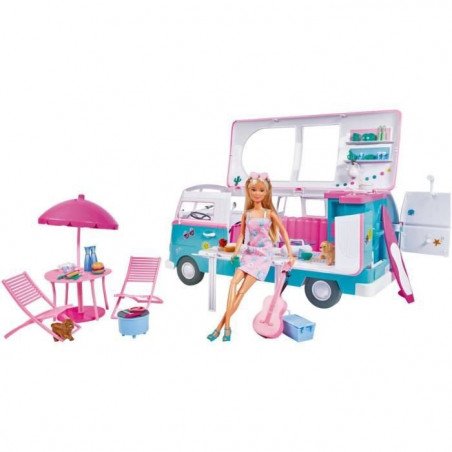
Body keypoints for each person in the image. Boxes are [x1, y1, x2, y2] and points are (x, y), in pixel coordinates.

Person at [207, 172, 295, 342]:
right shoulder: (246, 214)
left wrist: (290, 254)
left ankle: (222, 327)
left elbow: (283, 232)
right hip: (249, 253)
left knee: (241, 292)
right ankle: (226, 327)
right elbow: (241, 235)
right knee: (233, 283)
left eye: (261, 190)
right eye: (253, 190)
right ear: (248, 191)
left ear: (266, 192)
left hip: (263, 256)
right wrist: (235, 252)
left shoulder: (269, 213)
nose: (257, 193)